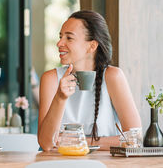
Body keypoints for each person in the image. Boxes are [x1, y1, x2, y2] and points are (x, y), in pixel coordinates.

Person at [37, 10, 141, 151]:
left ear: (91, 46)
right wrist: (60, 98)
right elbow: (46, 144)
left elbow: (135, 138)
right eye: (60, 36)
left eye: (69, 38)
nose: (59, 43)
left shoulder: (112, 76)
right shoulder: (50, 79)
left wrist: (76, 141)